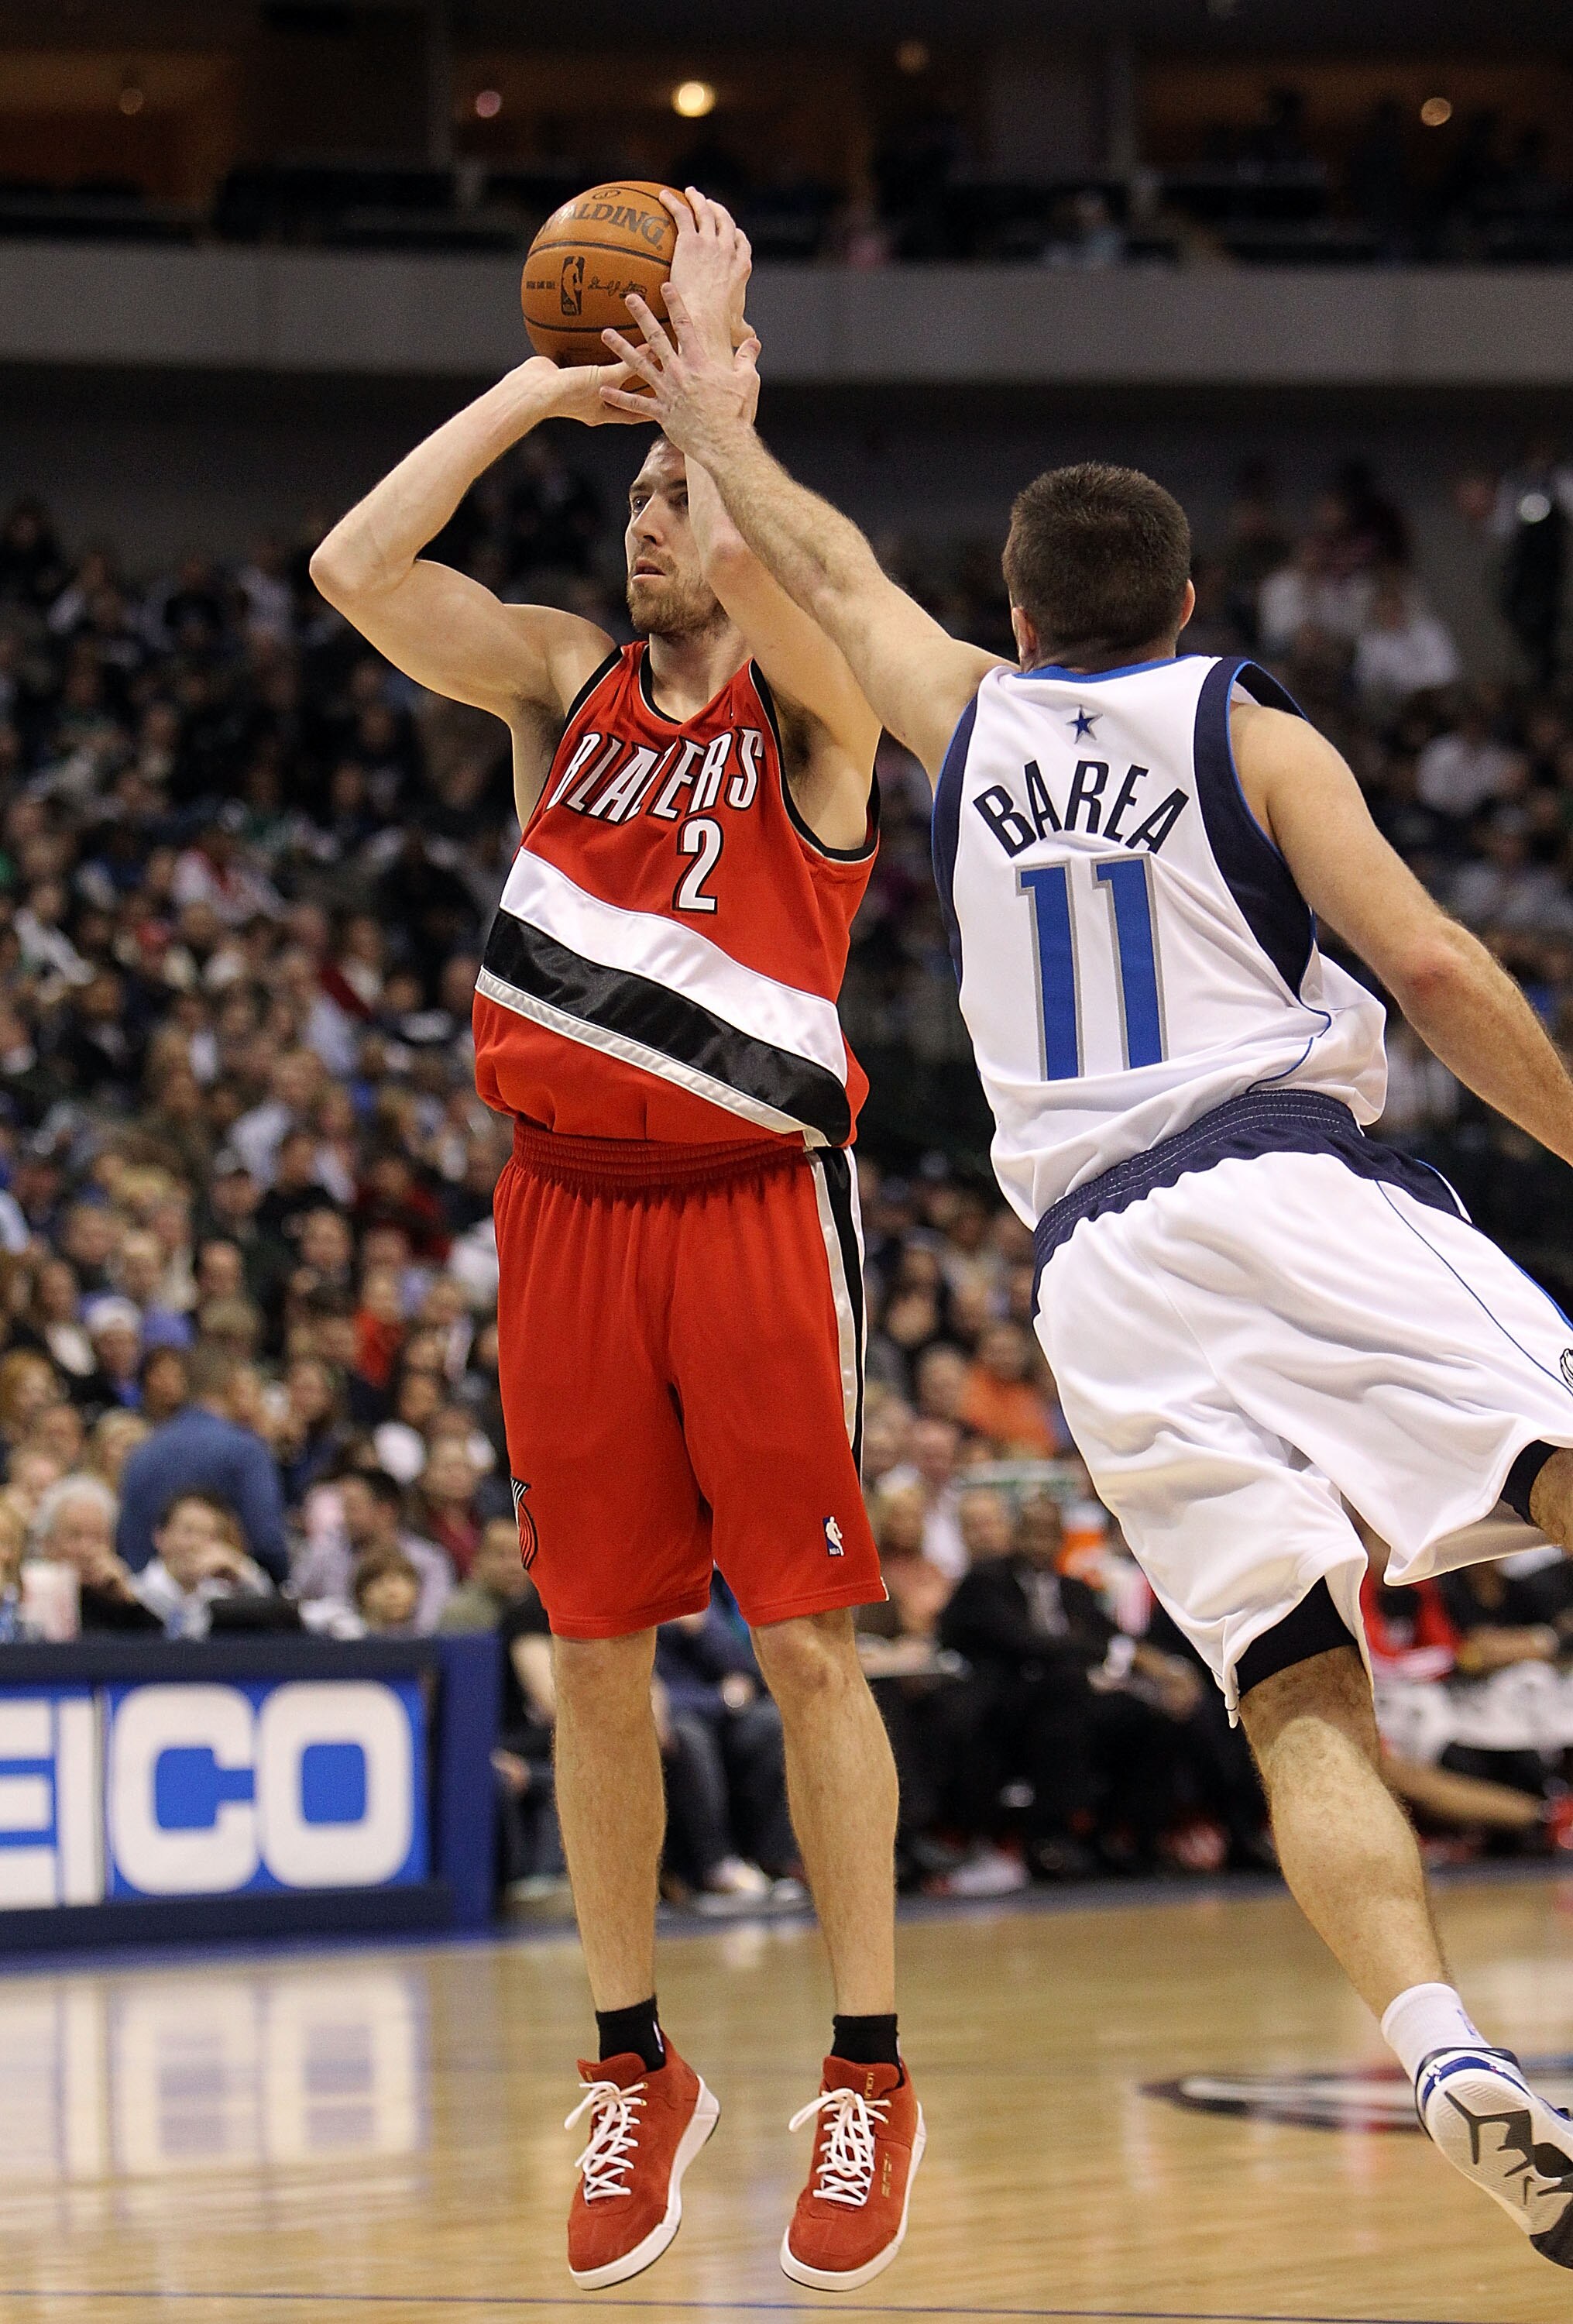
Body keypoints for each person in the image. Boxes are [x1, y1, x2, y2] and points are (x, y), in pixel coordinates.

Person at [626, 187, 1573, 2269]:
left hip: (1095, 1284)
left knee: (1289, 1684)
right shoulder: (1243, 724)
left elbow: (811, 564)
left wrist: (711, 400)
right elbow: (1424, 970)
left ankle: (1439, 2054)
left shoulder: (957, 713)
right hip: (1267, 1176)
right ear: (1189, 599)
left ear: (1017, 608)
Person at [308, 197, 917, 2293]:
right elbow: (352, 572)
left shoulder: (814, 716)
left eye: (683, 492)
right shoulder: (561, 691)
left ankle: (860, 2071)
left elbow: (806, 585)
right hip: (560, 1213)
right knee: (590, 1651)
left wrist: (720, 404)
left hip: (747, 1211)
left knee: (803, 1640)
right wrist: (543, 390)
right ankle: (632, 2065)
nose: (653, 515)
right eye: (636, 492)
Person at [115, 1342, 288, 1580]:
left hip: (147, 1600)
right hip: (222, 1601)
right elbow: (267, 1542)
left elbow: (127, 1542)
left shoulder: (143, 1451)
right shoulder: (245, 1450)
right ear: (232, 1388)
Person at [134, 1490, 274, 1639]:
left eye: (210, 1536)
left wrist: (239, 1570)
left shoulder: (224, 1596)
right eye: (189, 1531)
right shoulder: (135, 1594)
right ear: (160, 1536)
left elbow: (273, 1614)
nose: (197, 1544)